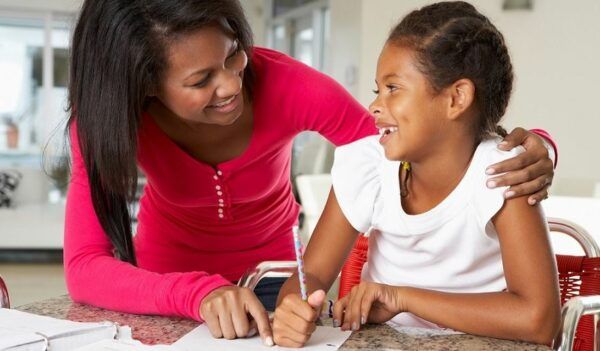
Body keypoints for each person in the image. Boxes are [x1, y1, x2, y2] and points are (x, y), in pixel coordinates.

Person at [65, 0, 557, 347]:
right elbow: (84, 265)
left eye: (233, 53)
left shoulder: (289, 86)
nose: (232, 83)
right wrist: (198, 293)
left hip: (273, 287)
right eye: (200, 80)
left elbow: (416, 139)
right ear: (145, 83)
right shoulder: (108, 120)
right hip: (168, 290)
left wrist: (533, 144)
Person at [273, 1, 561, 347]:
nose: (375, 106)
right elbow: (314, 275)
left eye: (393, 88)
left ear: (457, 98)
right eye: (377, 90)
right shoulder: (368, 166)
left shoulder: (503, 174)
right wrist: (292, 305)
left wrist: (402, 298)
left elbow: (539, 319)